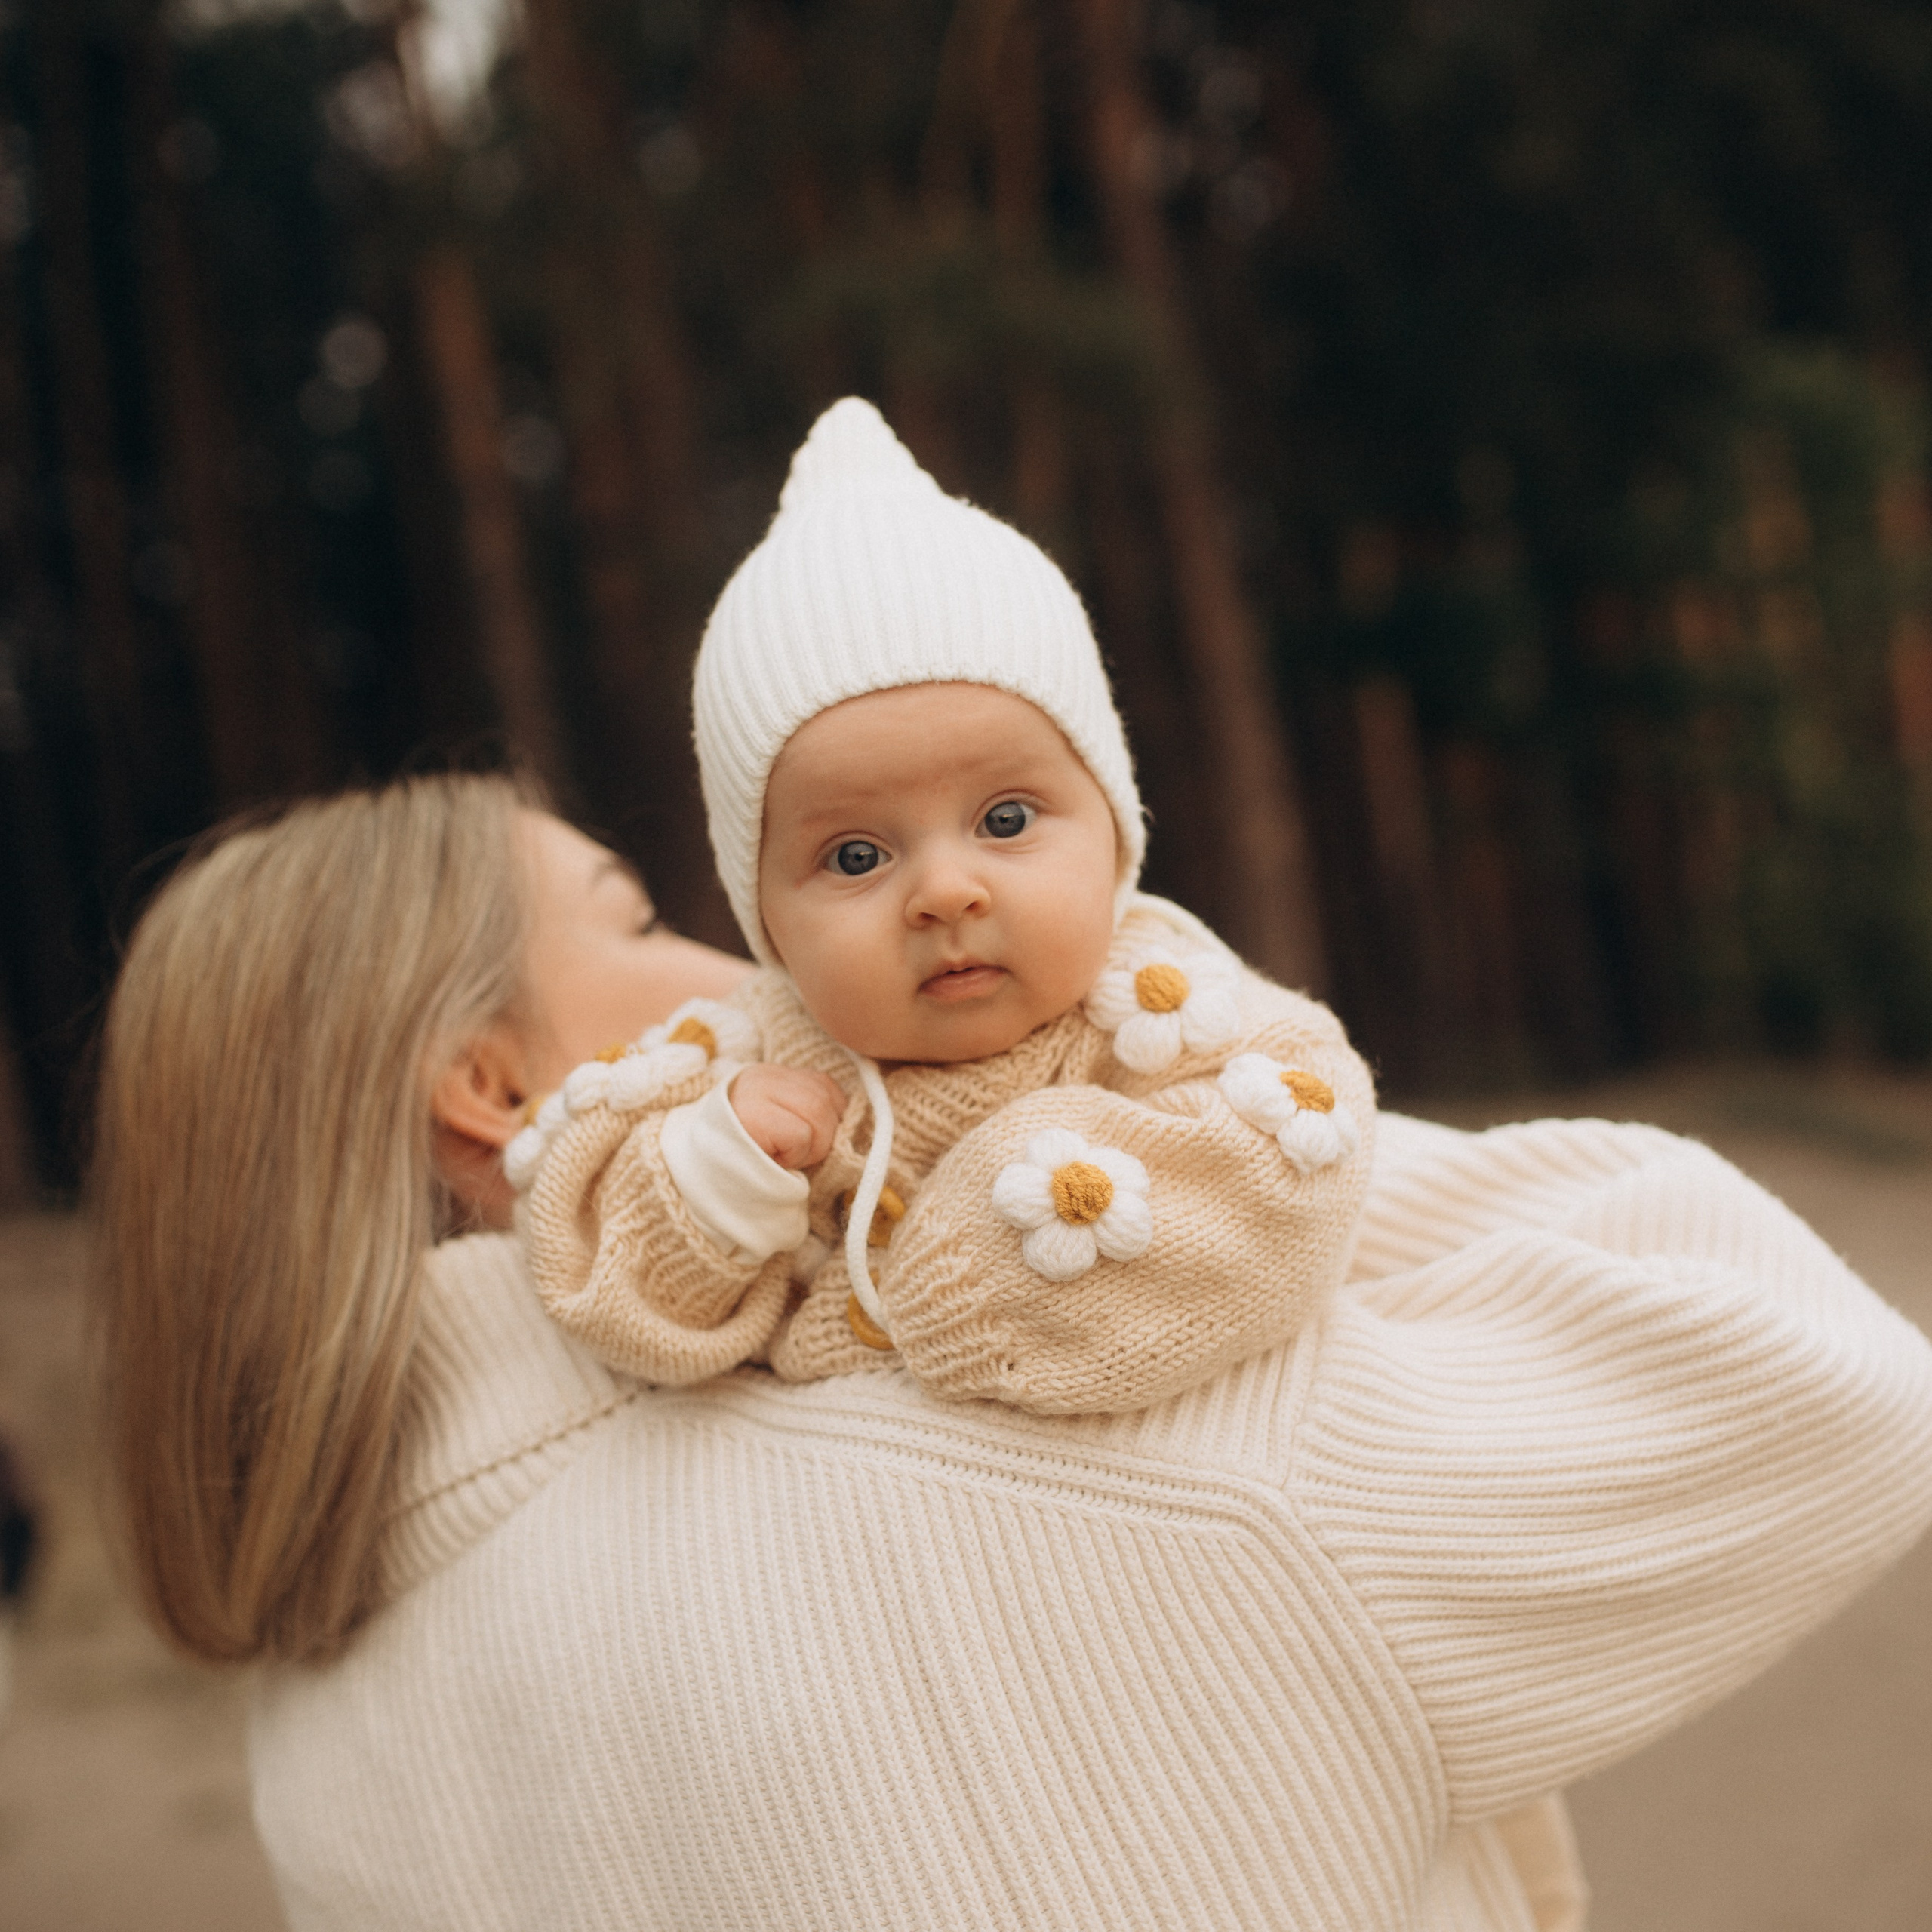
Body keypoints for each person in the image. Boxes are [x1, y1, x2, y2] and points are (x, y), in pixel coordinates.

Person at [91, 761, 1932, 1931]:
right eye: (640, 922)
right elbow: (1807, 1372)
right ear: (497, 1092)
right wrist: (1149, 1118)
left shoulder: (312, 1720)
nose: (757, 959)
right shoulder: (1094, 1420)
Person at [512, 398, 1376, 1415]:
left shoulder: (1168, 1010)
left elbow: (1290, 1167)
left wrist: (950, 1301)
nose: (945, 892)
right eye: (857, 854)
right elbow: (587, 1252)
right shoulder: (750, 1061)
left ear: (1114, 832)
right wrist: (716, 1171)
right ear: (766, 921)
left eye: (1006, 820)